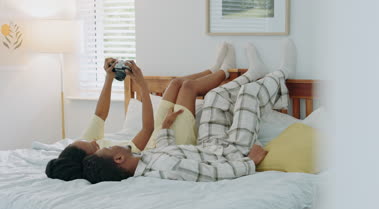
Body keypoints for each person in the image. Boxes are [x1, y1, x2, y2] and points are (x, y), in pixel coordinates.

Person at [81, 40, 296, 183]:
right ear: (119, 158)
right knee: (248, 95)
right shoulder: (167, 169)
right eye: (111, 149)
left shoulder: (145, 160)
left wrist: (165, 129)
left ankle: (254, 72)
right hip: (233, 152)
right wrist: (250, 162)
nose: (117, 143)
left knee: (214, 96)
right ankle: (283, 72)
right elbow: (213, 174)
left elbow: (170, 149)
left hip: (209, 144)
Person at [45, 42, 236, 181]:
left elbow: (100, 114)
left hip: (159, 133)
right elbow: (147, 128)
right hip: (168, 144)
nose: (93, 140)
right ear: (90, 158)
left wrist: (109, 78)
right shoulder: (115, 158)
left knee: (175, 83)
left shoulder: (93, 146)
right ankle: (227, 71)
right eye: (91, 145)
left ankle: (213, 69)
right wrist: (142, 84)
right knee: (187, 88)